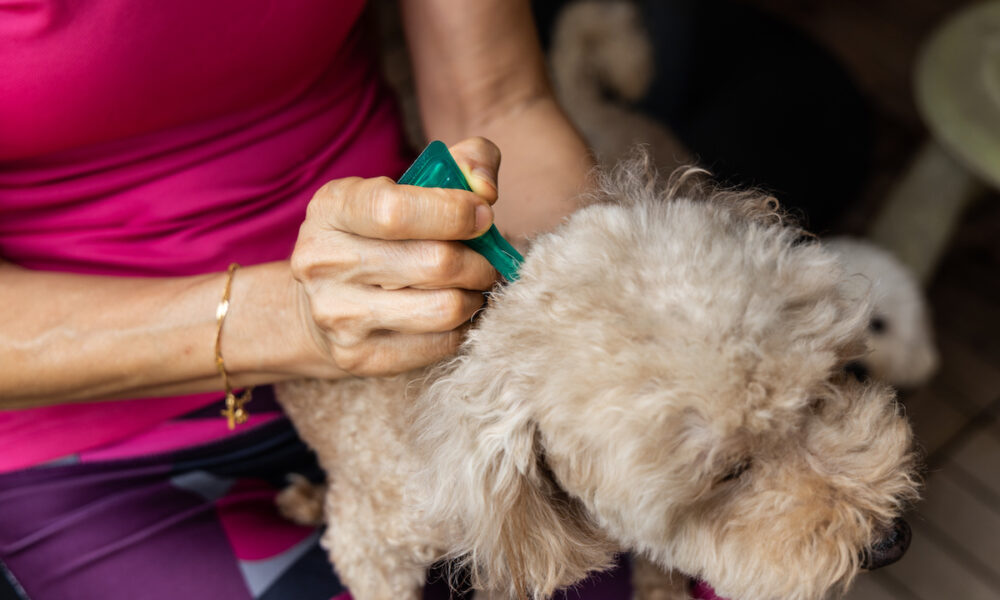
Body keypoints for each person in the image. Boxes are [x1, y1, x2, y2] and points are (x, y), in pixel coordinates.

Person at [0, 2, 629, 598]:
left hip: (429, 338)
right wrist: (293, 318)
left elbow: (497, 101)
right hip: (107, 445)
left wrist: (575, 306)